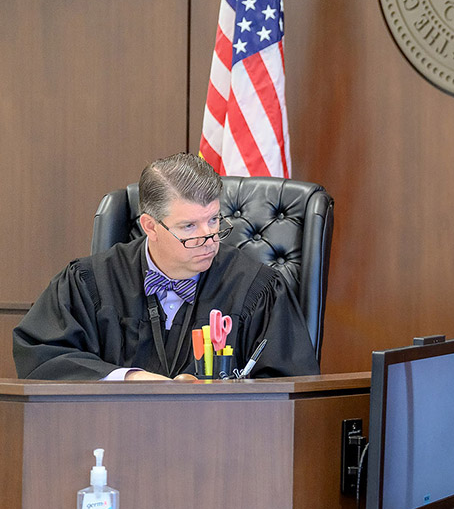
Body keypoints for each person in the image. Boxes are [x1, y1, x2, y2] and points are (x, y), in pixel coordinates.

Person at [13, 153, 320, 381]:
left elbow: (290, 386)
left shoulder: (256, 287)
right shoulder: (89, 283)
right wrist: (130, 378)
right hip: (111, 436)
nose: (209, 239)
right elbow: (42, 356)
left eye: (214, 220)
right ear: (150, 226)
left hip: (221, 439)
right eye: (189, 226)